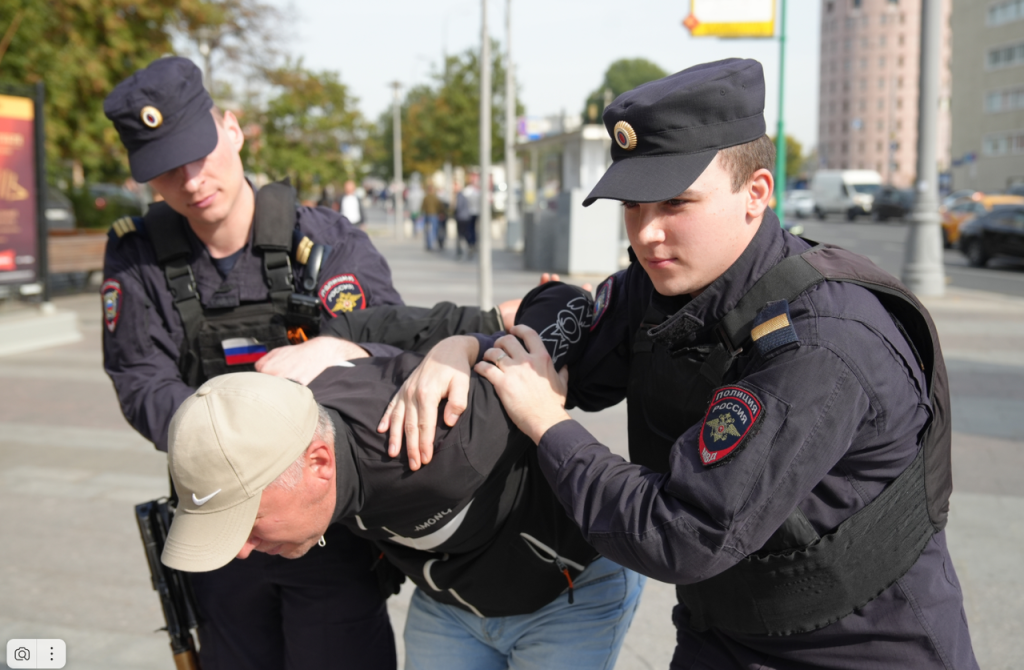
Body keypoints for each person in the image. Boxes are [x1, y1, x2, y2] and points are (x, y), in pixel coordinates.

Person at [378, 59, 979, 668]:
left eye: (675, 202)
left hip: (859, 649)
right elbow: (572, 325)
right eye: (633, 206)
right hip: (720, 632)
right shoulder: (670, 283)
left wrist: (550, 426)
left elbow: (680, 533)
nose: (648, 233)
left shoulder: (821, 343)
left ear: (756, 193)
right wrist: (463, 349)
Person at [101, 56, 409, 670]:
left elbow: (383, 353)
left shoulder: (325, 242)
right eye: (164, 168)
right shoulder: (138, 258)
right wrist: (227, 450)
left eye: (198, 151)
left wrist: (278, 456)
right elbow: (140, 379)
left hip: (326, 526)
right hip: (217, 529)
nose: (190, 179)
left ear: (233, 130)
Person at [161, 282, 644, 670]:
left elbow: (569, 301)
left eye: (248, 521)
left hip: (564, 600)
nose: (242, 551)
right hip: (450, 609)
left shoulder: (446, 439)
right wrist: (339, 336)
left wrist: (472, 346)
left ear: (319, 463)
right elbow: (361, 329)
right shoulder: (282, 411)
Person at [421, 183, 442, 250]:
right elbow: (439, 206)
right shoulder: (435, 197)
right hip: (434, 215)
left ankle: (429, 244)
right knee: (433, 230)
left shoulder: (426, 197)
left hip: (427, 215)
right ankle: (431, 243)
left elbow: (422, 207)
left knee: (428, 230)